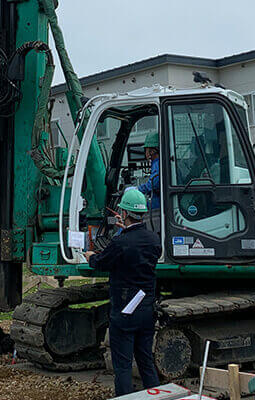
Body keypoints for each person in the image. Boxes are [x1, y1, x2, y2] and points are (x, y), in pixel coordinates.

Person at [84, 189, 161, 396]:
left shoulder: (120, 243)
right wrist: (124, 230)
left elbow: (101, 262)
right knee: (146, 361)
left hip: (125, 311)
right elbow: (136, 247)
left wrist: (90, 256)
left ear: (124, 214)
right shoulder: (154, 240)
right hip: (146, 309)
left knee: (123, 366)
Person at [137, 132, 161, 235]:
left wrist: (137, 190)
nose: (145, 152)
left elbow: (153, 183)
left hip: (157, 206)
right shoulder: (159, 163)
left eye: (146, 150)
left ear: (152, 151)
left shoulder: (158, 164)